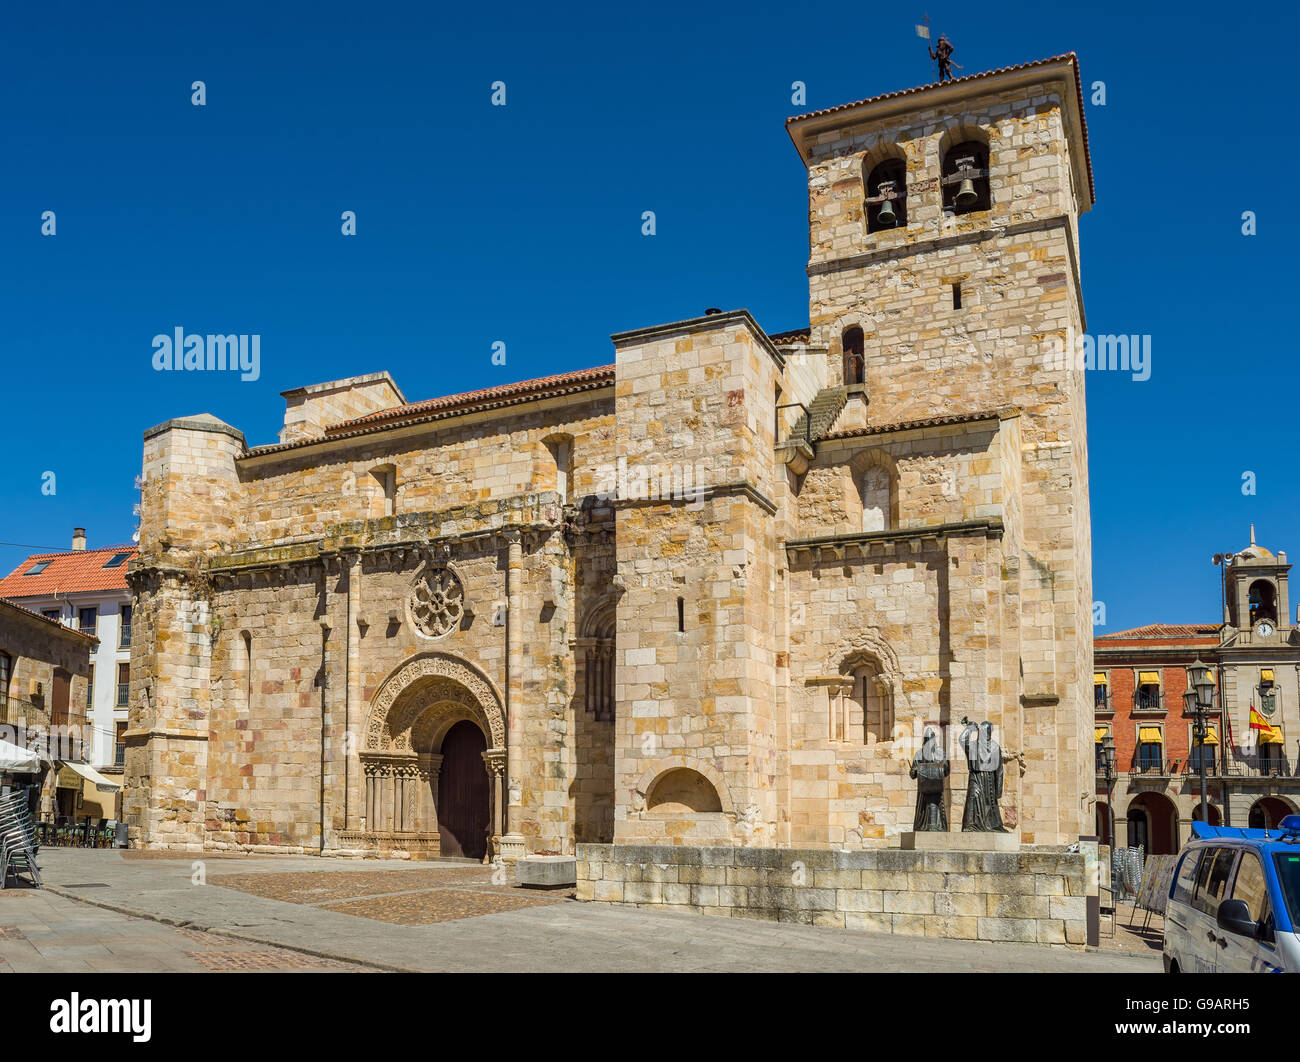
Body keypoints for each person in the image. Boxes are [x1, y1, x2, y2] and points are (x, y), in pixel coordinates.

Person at [960, 719, 1007, 832]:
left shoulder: (995, 747)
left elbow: (999, 770)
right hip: (975, 778)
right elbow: (962, 740)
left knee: (988, 805)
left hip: (989, 780)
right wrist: (969, 728)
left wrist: (998, 790)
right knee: (973, 799)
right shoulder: (973, 746)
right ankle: (970, 826)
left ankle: (990, 825)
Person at [909, 726, 950, 831]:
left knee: (935, 806)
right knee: (924, 808)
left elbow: (946, 770)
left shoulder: (940, 752)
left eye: (930, 738)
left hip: (936, 786)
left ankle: (937, 827)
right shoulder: (919, 753)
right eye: (927, 739)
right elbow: (912, 774)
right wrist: (915, 770)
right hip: (924, 788)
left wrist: (941, 767)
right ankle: (924, 827)